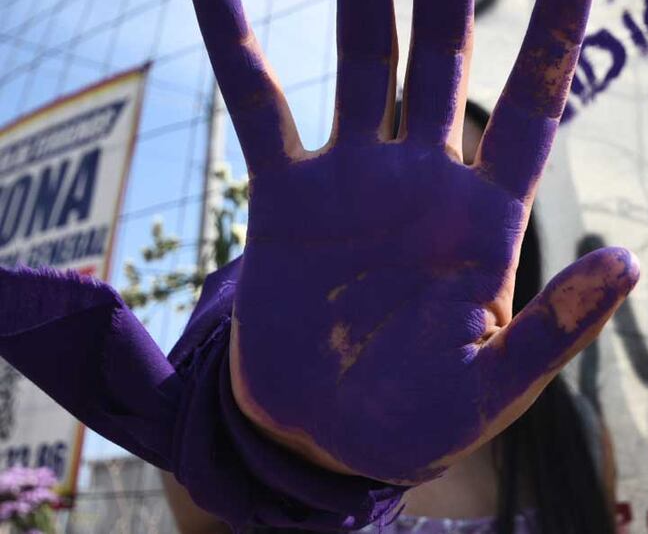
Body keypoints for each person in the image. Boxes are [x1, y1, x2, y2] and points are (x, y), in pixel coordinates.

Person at [0, 0, 638, 530]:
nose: (415, 241)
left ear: (516, 244)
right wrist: (282, 449)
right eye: (392, 205)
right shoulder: (229, 439)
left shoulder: (577, 439)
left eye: (458, 209)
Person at [164, 103, 619, 533]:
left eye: (480, 198)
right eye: (415, 198)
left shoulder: (577, 438)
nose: (446, 233)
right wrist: (255, 434)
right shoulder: (284, 403)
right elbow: (198, 512)